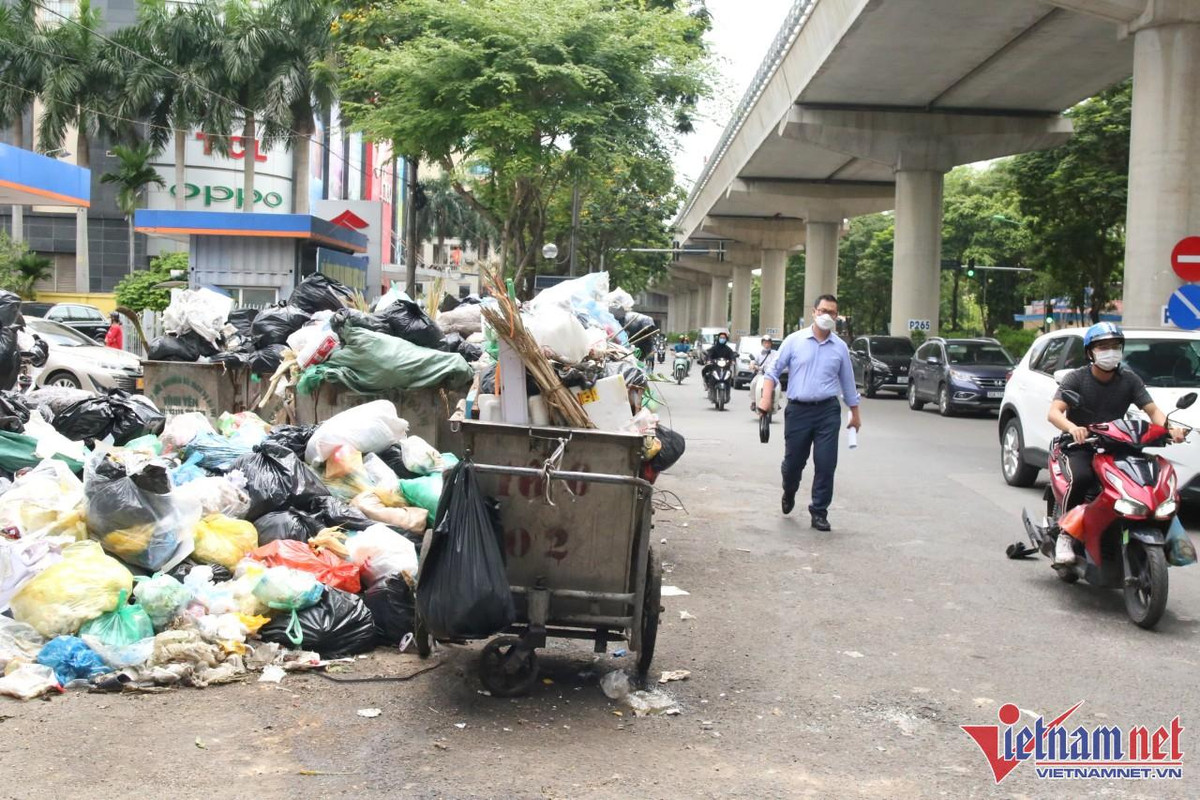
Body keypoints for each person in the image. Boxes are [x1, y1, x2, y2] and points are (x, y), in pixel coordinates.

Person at [1047, 322, 1184, 566]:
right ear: (1091, 352)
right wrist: (1072, 427)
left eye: (1114, 346)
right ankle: (1065, 535)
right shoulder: (1076, 378)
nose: (1110, 352)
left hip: (1117, 446)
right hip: (1080, 446)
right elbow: (1055, 412)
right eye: (1103, 347)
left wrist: (1170, 429)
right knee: (1081, 478)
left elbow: (1153, 412)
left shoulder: (1129, 380)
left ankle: (1166, 536)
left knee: (1149, 481)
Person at [759, 295, 862, 531]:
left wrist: (855, 414)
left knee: (826, 464)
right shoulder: (794, 341)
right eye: (823, 310)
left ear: (837, 317)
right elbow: (772, 373)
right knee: (793, 463)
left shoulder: (840, 348)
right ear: (814, 312)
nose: (827, 316)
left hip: (828, 411)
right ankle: (789, 489)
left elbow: (848, 384)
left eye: (832, 313)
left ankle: (819, 511)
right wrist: (766, 400)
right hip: (798, 411)